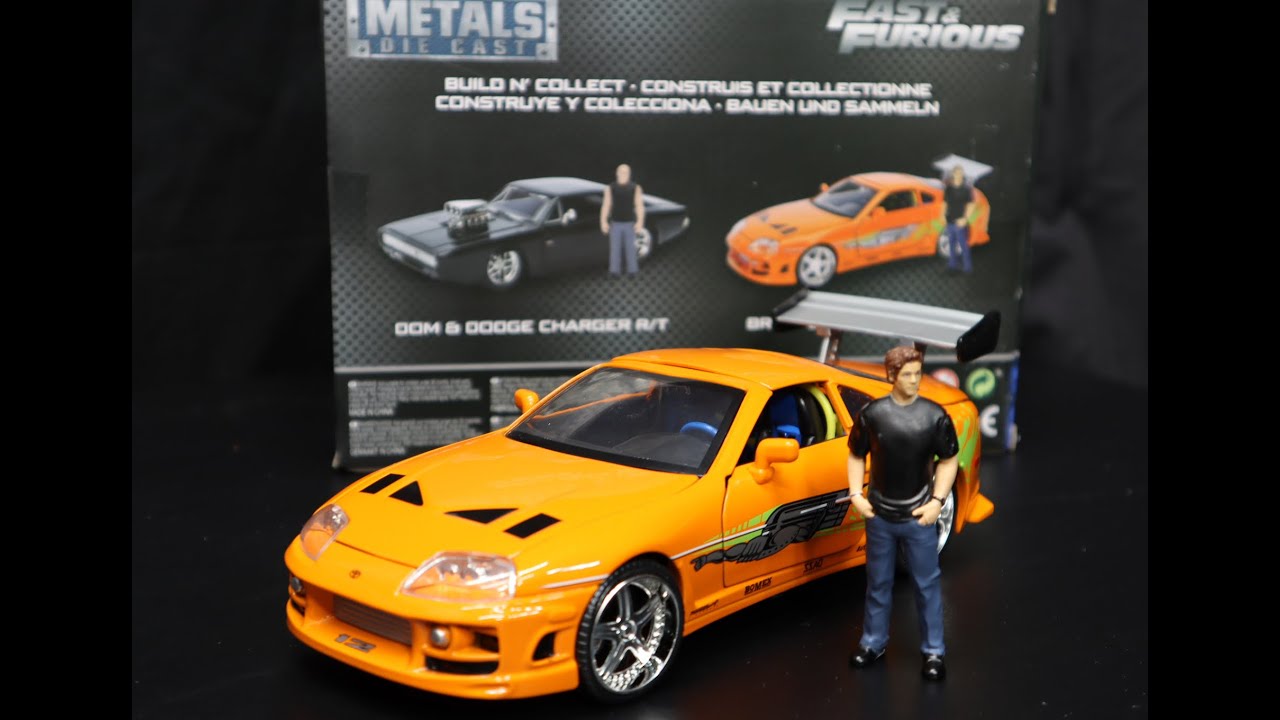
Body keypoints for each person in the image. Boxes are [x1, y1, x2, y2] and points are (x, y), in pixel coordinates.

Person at [847, 346, 959, 681]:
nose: (914, 380)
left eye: (917, 373)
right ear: (891, 376)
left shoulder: (934, 416)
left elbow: (949, 459)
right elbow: (855, 454)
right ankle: (873, 642)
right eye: (907, 374)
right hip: (880, 516)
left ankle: (934, 650)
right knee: (878, 583)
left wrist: (937, 501)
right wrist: (856, 494)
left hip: (919, 517)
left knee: (927, 586)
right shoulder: (873, 414)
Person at [600, 163, 645, 277]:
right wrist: (603, 221)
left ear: (630, 174)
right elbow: (606, 205)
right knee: (615, 248)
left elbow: (639, 206)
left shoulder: (635, 188)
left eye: (626, 172)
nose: (623, 174)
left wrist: (640, 222)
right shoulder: (610, 188)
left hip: (630, 223)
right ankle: (614, 271)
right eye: (621, 172)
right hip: (615, 223)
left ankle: (632, 270)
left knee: (631, 247)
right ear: (617, 173)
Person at [942, 165, 976, 273]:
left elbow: (971, 205)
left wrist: (965, 219)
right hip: (949, 221)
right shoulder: (948, 188)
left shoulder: (967, 189)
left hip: (960, 222)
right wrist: (943, 216)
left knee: (963, 245)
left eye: (960, 173)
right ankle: (952, 265)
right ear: (953, 174)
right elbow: (945, 203)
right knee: (951, 244)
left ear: (962, 174)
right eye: (956, 173)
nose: (958, 175)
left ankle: (967, 268)